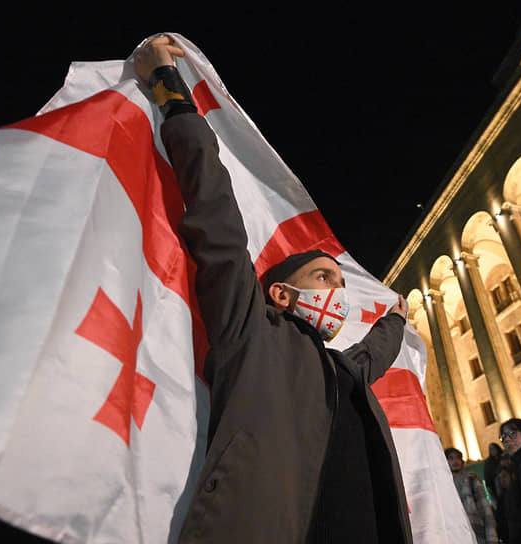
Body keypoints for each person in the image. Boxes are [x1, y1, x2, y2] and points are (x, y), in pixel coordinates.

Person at [134, 36, 413, 543]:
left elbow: (376, 350)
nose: (339, 293)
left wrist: (397, 316)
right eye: (324, 277)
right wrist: (170, 91)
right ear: (281, 294)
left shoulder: (342, 370)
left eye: (341, 283)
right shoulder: (252, 330)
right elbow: (215, 210)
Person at [445, 448, 498, 544]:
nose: (455, 461)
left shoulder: (472, 481)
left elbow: (486, 512)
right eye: (451, 458)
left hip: (477, 535)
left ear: (462, 461)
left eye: (457, 458)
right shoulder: (445, 486)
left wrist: (492, 538)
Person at [482, 443, 504, 508]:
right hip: (495, 489)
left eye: (493, 448)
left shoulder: (503, 457)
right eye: (490, 449)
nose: (492, 450)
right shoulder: (488, 463)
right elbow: (487, 478)